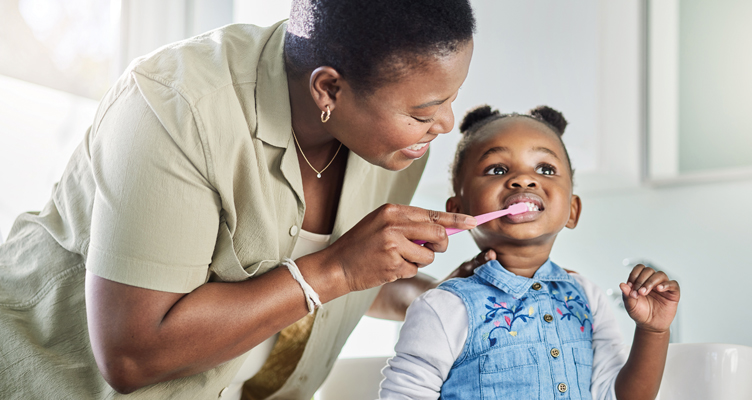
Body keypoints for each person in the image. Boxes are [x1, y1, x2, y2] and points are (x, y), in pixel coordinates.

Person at [0, 1, 482, 399]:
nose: (445, 122)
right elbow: (132, 355)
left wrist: (437, 302)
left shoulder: (396, 140)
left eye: (450, 97)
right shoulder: (177, 108)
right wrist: (338, 269)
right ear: (329, 87)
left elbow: (315, 271)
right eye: (425, 110)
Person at [379, 105, 681, 399]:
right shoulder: (444, 307)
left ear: (572, 211)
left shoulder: (588, 297)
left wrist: (652, 332)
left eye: (545, 169)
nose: (524, 179)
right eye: (497, 169)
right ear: (458, 211)